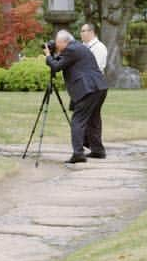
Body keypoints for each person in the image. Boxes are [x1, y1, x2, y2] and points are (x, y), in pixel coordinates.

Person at [45, 29, 109, 164]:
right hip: (99, 87)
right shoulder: (78, 47)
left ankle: (78, 153)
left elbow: (56, 66)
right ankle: (98, 150)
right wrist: (54, 55)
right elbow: (62, 62)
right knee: (93, 119)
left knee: (78, 120)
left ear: (64, 41)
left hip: (88, 89)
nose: (55, 45)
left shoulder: (71, 49)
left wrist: (48, 56)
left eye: (57, 43)